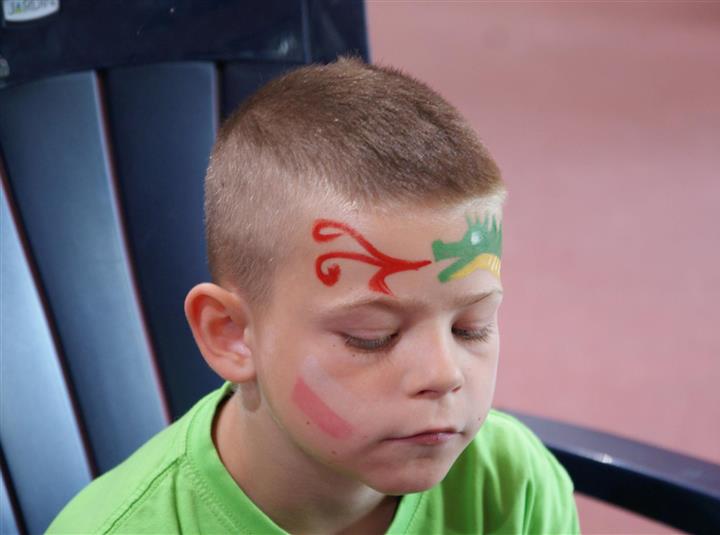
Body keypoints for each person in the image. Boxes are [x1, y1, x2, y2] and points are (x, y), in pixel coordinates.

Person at [47, 57, 580, 534]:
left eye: (471, 327)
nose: (444, 374)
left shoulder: (510, 484)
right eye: (372, 336)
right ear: (232, 334)